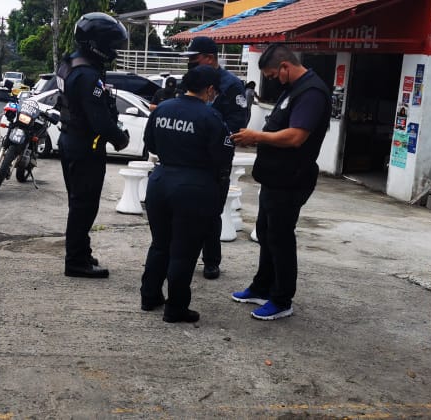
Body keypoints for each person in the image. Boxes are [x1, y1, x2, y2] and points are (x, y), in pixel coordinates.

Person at [229, 44, 332, 320]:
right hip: (275, 177)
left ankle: (281, 298)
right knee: (265, 232)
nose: (273, 80)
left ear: (285, 66)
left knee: (280, 238)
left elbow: (297, 136)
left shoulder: (311, 92)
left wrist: (257, 137)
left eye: (274, 75)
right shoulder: (293, 89)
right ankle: (262, 286)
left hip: (291, 179)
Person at [139, 65, 234, 323]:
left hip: (160, 181)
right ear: (210, 89)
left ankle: (149, 296)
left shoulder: (162, 110)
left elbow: (151, 144)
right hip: (193, 186)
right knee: (183, 251)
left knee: (160, 244)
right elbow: (223, 157)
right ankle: (176, 307)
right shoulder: (211, 117)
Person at [53, 12, 130, 278]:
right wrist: (121, 139)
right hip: (85, 146)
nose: (114, 51)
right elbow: (100, 122)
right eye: (111, 45)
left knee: (78, 204)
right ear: (96, 43)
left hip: (69, 140)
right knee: (84, 206)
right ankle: (76, 262)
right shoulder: (87, 75)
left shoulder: (69, 62)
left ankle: (81, 253)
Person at [180, 36, 247, 280]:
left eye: (194, 59)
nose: (191, 64)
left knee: (210, 213)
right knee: (185, 211)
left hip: (214, 160)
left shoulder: (230, 85)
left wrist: (211, 136)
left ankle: (211, 261)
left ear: (209, 58)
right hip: (189, 158)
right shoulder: (192, 81)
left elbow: (237, 125)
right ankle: (183, 256)